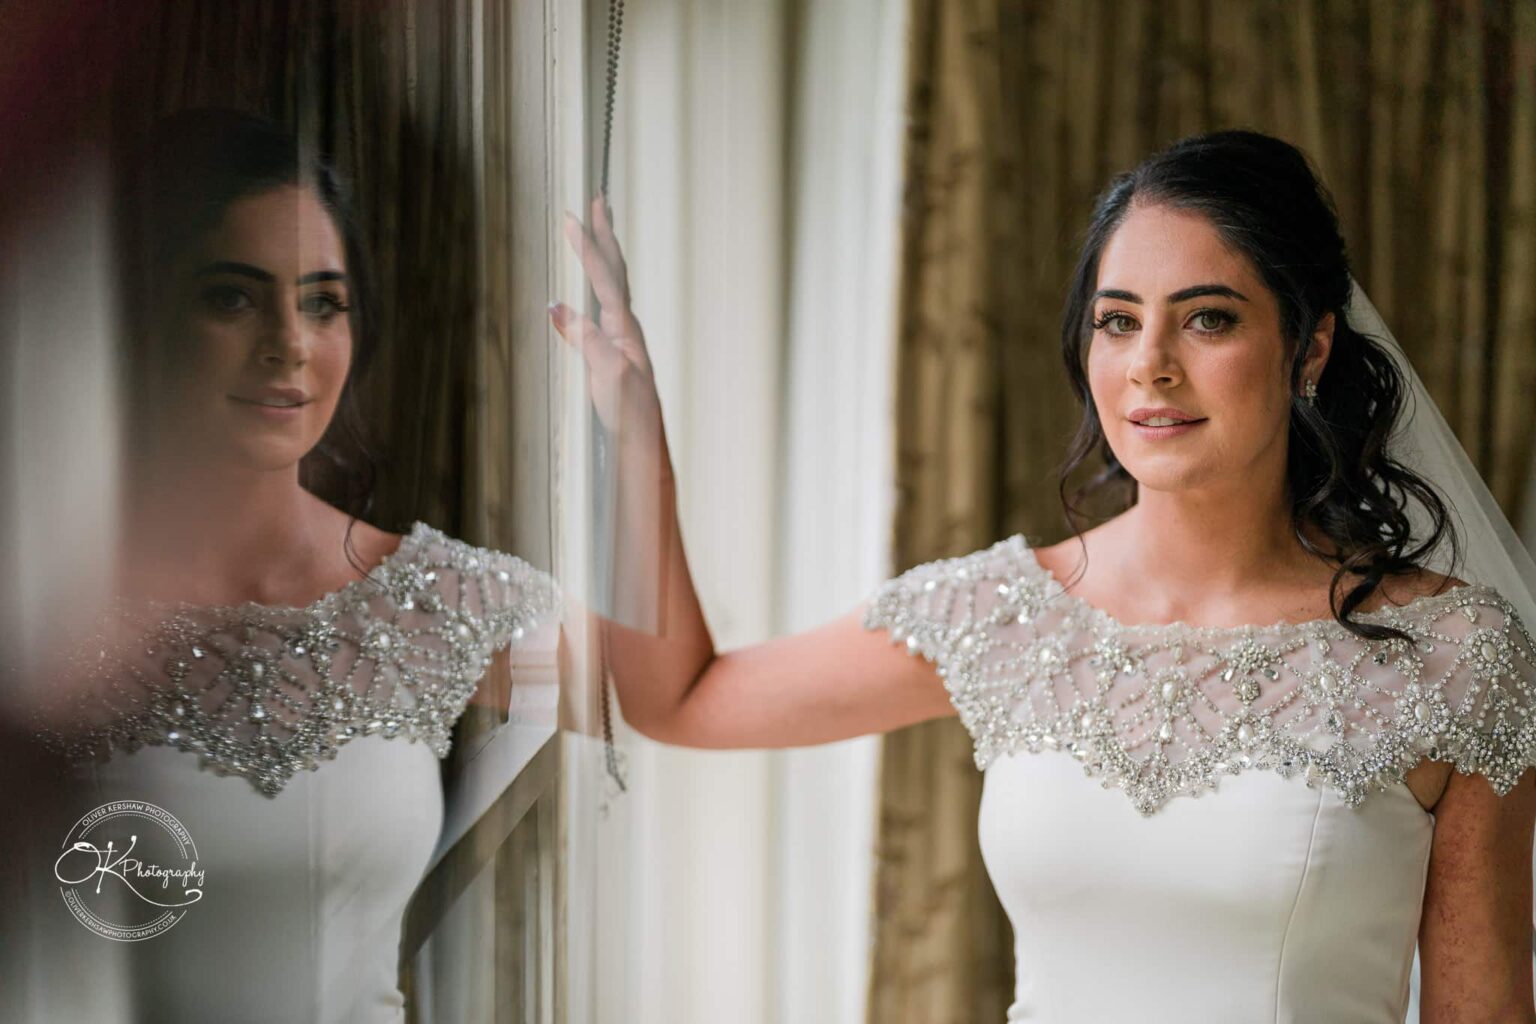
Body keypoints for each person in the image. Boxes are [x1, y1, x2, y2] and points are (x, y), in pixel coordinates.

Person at [551, 129, 1536, 1022]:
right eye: (1117, 321)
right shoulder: (1007, 616)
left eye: (1208, 320)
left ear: (1309, 346)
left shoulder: (1455, 657)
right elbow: (682, 697)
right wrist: (638, 445)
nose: (1149, 365)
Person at [17, 108, 560, 1022]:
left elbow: (669, 701)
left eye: (322, 302)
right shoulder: (42, 607)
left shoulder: (459, 604)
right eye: (231, 296)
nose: (290, 344)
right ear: (141, 314)